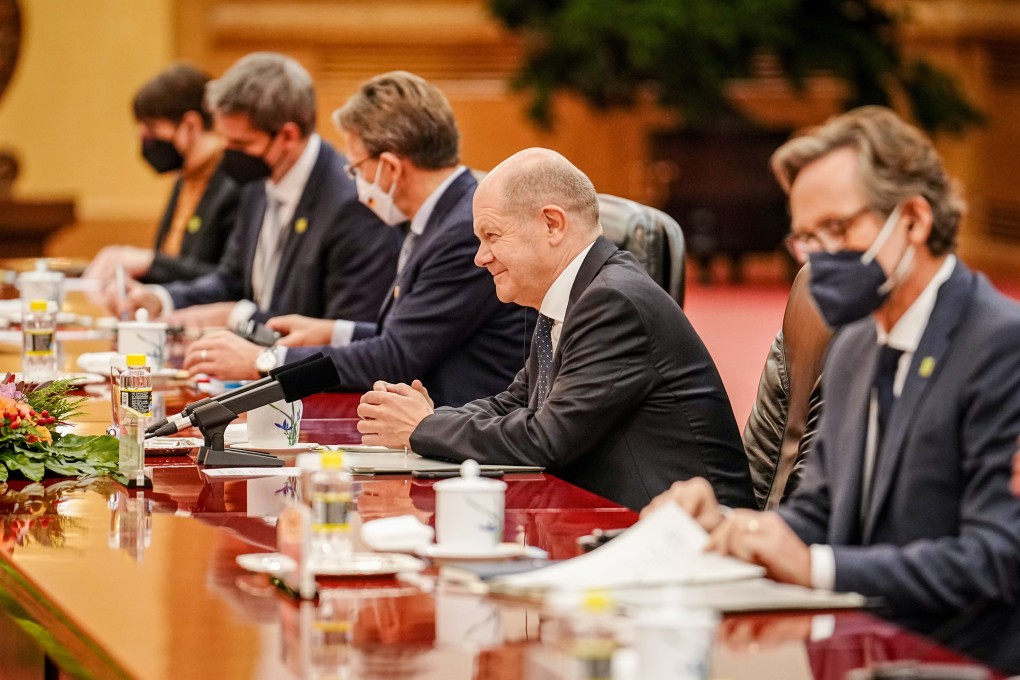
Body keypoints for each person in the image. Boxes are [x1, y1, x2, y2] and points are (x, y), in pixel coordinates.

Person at [645, 107, 1020, 673]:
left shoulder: (999, 344)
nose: (819, 259)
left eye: (838, 231)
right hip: (846, 647)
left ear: (913, 220)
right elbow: (820, 511)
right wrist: (731, 526)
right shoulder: (852, 345)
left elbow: (997, 559)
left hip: (955, 659)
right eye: (806, 239)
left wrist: (821, 570)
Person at [356, 147, 755, 511]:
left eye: (491, 236)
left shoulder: (613, 301)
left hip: (688, 543)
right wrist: (426, 416)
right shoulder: (575, 291)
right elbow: (515, 403)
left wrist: (424, 428)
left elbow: (544, 441)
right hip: (615, 525)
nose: (481, 257)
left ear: (552, 224)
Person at [182, 72, 529, 406]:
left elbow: (394, 358)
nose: (354, 180)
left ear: (390, 167)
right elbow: (410, 334)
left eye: (356, 167)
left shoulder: (464, 230)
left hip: (468, 441)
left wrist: (266, 359)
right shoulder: (442, 214)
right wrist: (334, 332)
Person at [111, 52, 399, 329]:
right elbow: (230, 279)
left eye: (242, 145)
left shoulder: (350, 204)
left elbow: (340, 334)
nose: (229, 154)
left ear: (287, 135)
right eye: (227, 140)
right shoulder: (256, 180)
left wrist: (238, 317)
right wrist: (161, 299)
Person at [84, 63, 240, 285]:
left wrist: (149, 263)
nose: (145, 140)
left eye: (152, 129)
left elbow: (227, 280)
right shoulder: (185, 177)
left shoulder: (235, 182)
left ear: (191, 125)